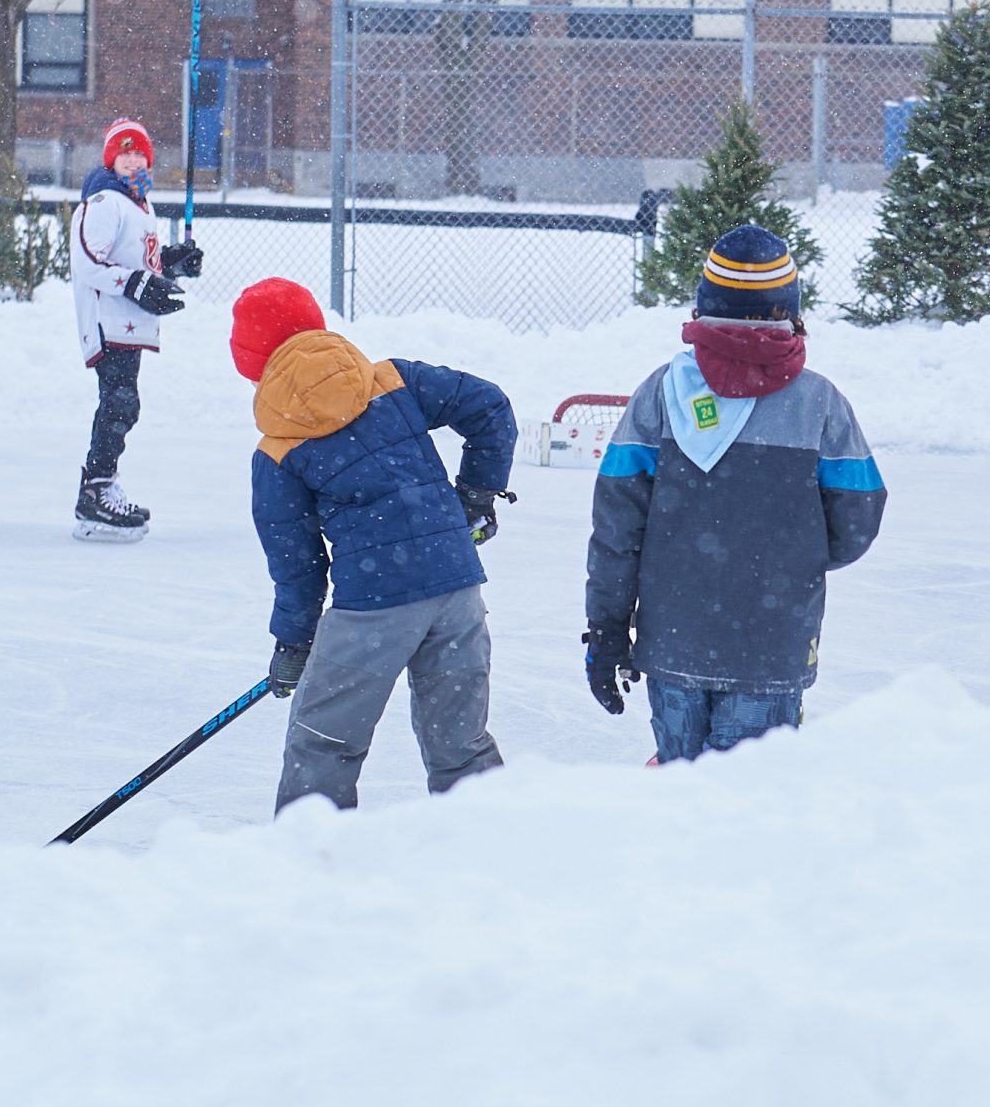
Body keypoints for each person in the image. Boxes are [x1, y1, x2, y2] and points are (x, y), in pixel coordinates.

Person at [584, 224, 886, 761]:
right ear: (787, 310)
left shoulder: (659, 394)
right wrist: (787, 563)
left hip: (673, 637)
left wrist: (606, 628)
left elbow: (616, 527)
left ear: (705, 305)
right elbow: (857, 517)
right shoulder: (821, 403)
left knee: (683, 793)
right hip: (771, 644)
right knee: (750, 807)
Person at [232, 276, 519, 813]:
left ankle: (312, 864)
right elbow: (490, 406)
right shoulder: (392, 380)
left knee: (322, 749)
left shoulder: (277, 450)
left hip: (373, 609)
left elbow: (297, 564)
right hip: (458, 590)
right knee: (461, 749)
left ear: (251, 359)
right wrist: (477, 496)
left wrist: (294, 643)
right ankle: (493, 851)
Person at [70, 117, 199, 540]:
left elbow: (140, 258)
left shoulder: (140, 204)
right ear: (111, 158)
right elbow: (91, 263)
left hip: (131, 323)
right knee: (119, 403)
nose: (131, 159)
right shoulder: (105, 201)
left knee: (125, 404)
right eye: (123, 152)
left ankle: (100, 485)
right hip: (110, 320)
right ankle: (96, 490)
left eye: (138, 152)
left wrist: (172, 262)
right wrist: (136, 284)